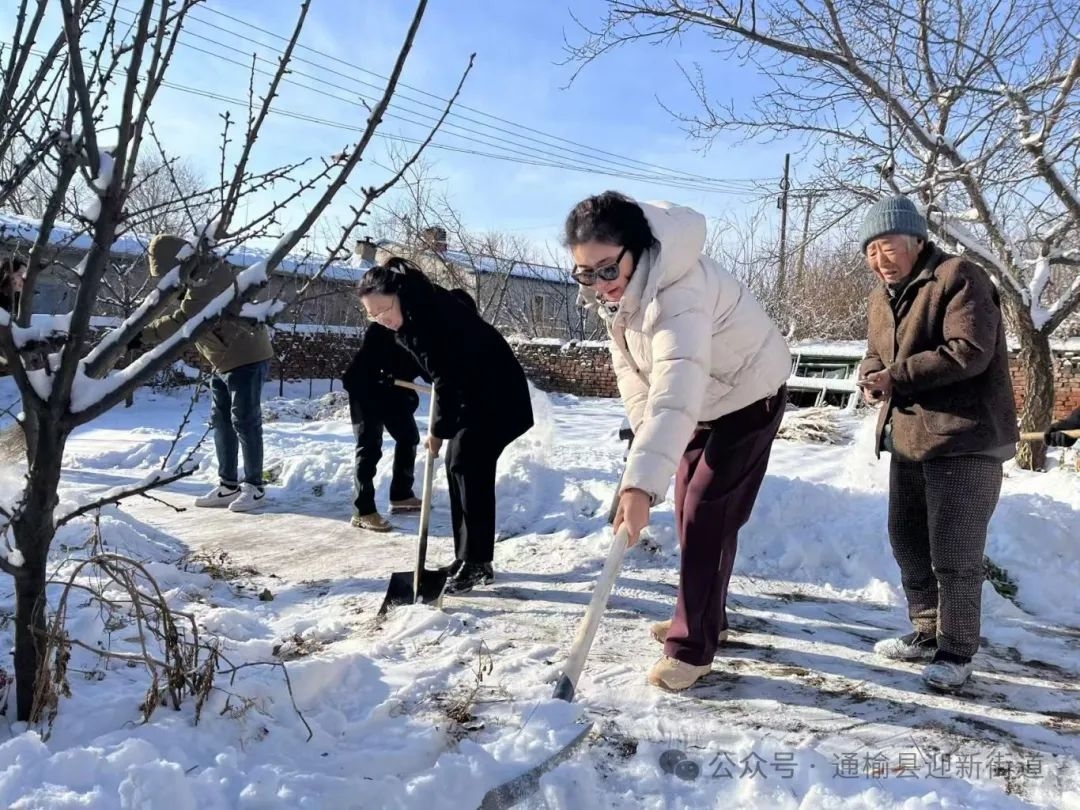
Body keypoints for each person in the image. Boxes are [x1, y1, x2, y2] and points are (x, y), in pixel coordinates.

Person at [564, 191, 791, 691]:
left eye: (606, 269)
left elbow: (675, 388)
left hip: (749, 394)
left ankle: (691, 648)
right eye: (585, 273)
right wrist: (642, 471)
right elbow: (639, 385)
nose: (599, 285)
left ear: (636, 248)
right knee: (696, 511)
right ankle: (707, 617)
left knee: (706, 510)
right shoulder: (622, 295)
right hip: (701, 400)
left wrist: (641, 487)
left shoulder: (677, 292)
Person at [856, 196, 1019, 692]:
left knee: (954, 550)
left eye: (887, 248)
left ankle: (956, 650)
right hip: (908, 435)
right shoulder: (882, 296)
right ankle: (926, 632)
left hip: (964, 438)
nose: (879, 260)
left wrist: (896, 377)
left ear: (917, 241)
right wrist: (870, 375)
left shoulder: (958, 277)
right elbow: (873, 353)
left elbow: (968, 351)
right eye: (870, 252)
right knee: (907, 540)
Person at [356, 259, 534, 594]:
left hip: (499, 397)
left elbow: (446, 379)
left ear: (399, 294)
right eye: (373, 315)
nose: (382, 320)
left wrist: (438, 431)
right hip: (477, 395)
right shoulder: (420, 309)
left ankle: (478, 562)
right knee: (458, 464)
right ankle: (466, 557)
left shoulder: (427, 320)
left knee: (468, 463)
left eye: (384, 310)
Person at [140, 234, 275, 512]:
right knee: (221, 420)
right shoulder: (193, 278)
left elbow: (185, 318)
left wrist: (143, 335)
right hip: (222, 359)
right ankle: (228, 485)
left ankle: (255, 487)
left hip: (246, 354)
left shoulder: (211, 274)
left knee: (245, 420)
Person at [341, 320, 428, 532]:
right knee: (370, 445)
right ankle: (363, 511)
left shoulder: (428, 334)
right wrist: (383, 371)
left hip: (394, 389)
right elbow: (370, 355)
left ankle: (401, 495)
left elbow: (431, 367)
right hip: (366, 387)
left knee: (408, 437)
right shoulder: (384, 325)